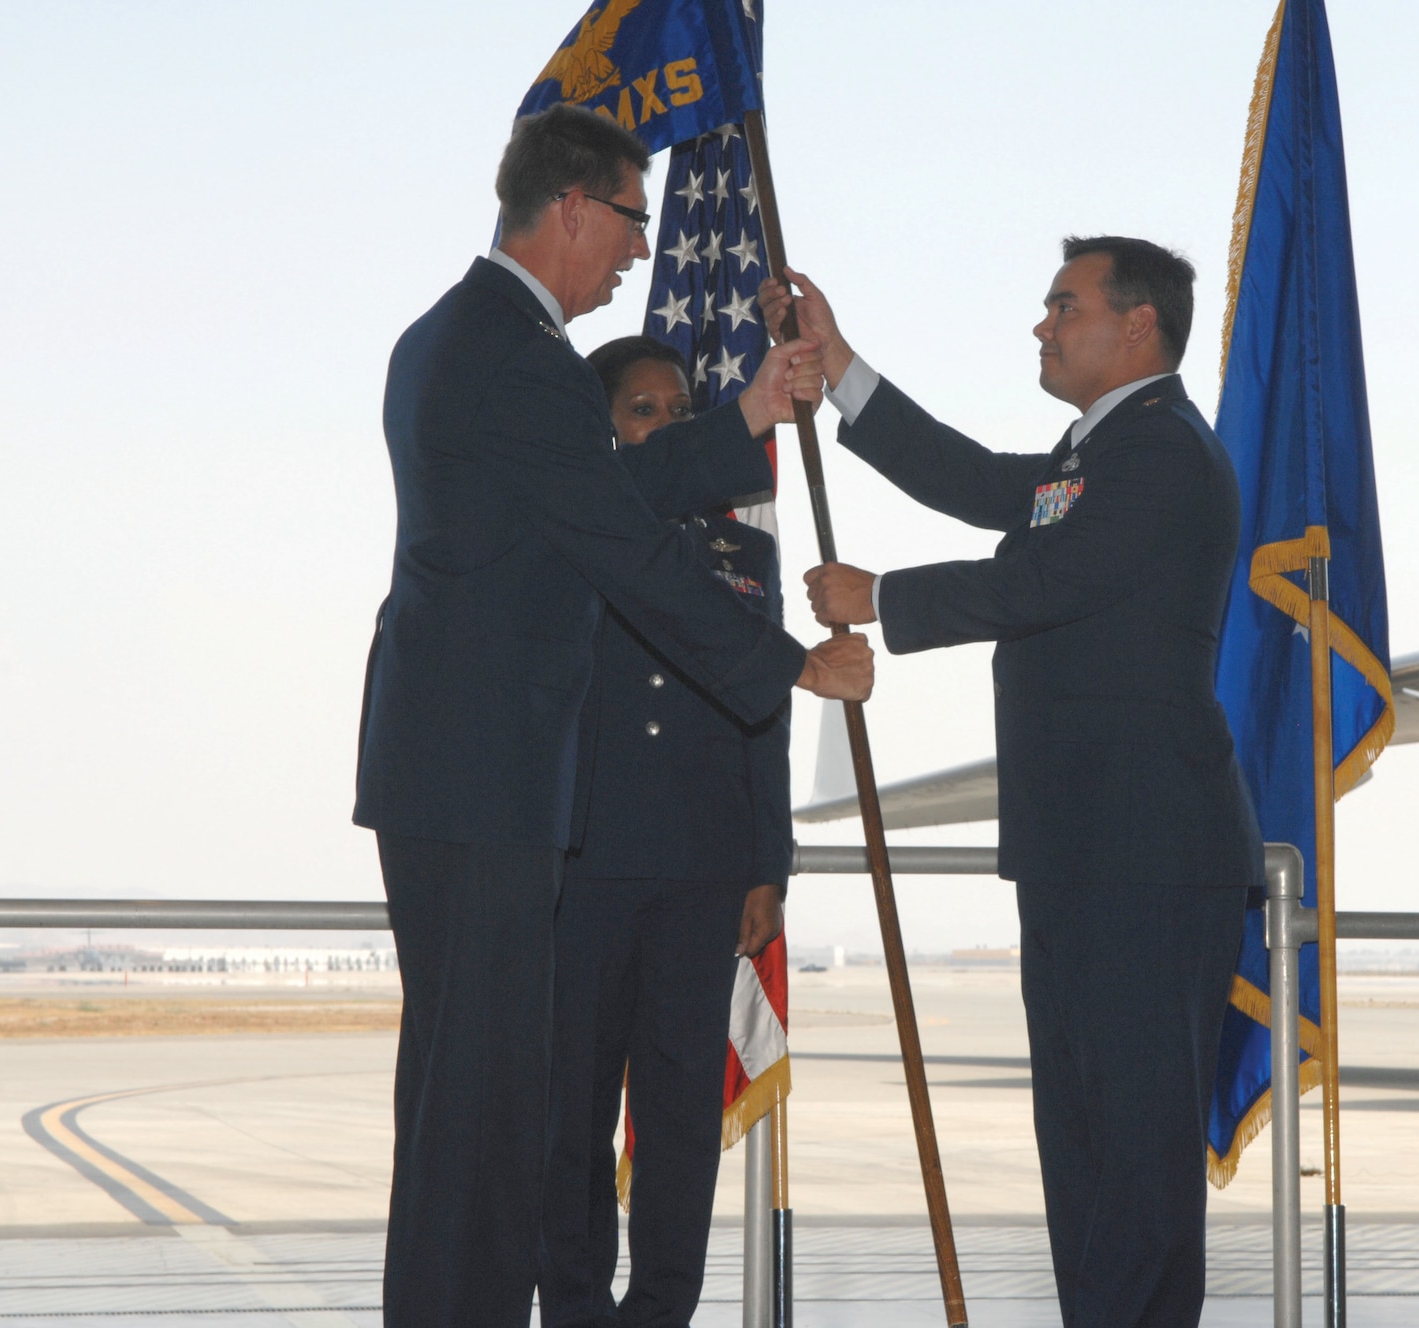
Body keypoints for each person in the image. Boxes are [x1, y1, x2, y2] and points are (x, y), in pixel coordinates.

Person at [353, 104, 870, 1328]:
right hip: (484, 782)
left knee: (457, 1113)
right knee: (481, 1127)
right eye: (631, 220)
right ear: (574, 206)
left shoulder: (450, 338)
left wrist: (740, 420)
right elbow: (627, 552)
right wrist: (793, 666)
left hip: (450, 774)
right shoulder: (522, 359)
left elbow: (591, 495)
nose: (639, 252)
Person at [762, 239, 1262, 1327]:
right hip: (1080, 852)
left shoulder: (1165, 452)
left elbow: (1050, 578)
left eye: (1062, 305)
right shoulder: (1091, 459)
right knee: (1081, 1147)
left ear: (1137, 325)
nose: (1040, 326)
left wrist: (880, 597)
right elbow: (974, 479)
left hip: (1148, 858)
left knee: (1132, 1153)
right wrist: (841, 367)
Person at [540, 336, 789, 1328]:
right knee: (572, 1115)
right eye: (643, 410)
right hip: (584, 867)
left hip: (701, 871)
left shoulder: (744, 554)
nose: (667, 423)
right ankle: (571, 1307)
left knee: (680, 1117)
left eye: (679, 409)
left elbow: (763, 711)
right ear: (603, 427)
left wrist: (767, 861)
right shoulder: (567, 533)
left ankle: (658, 1311)